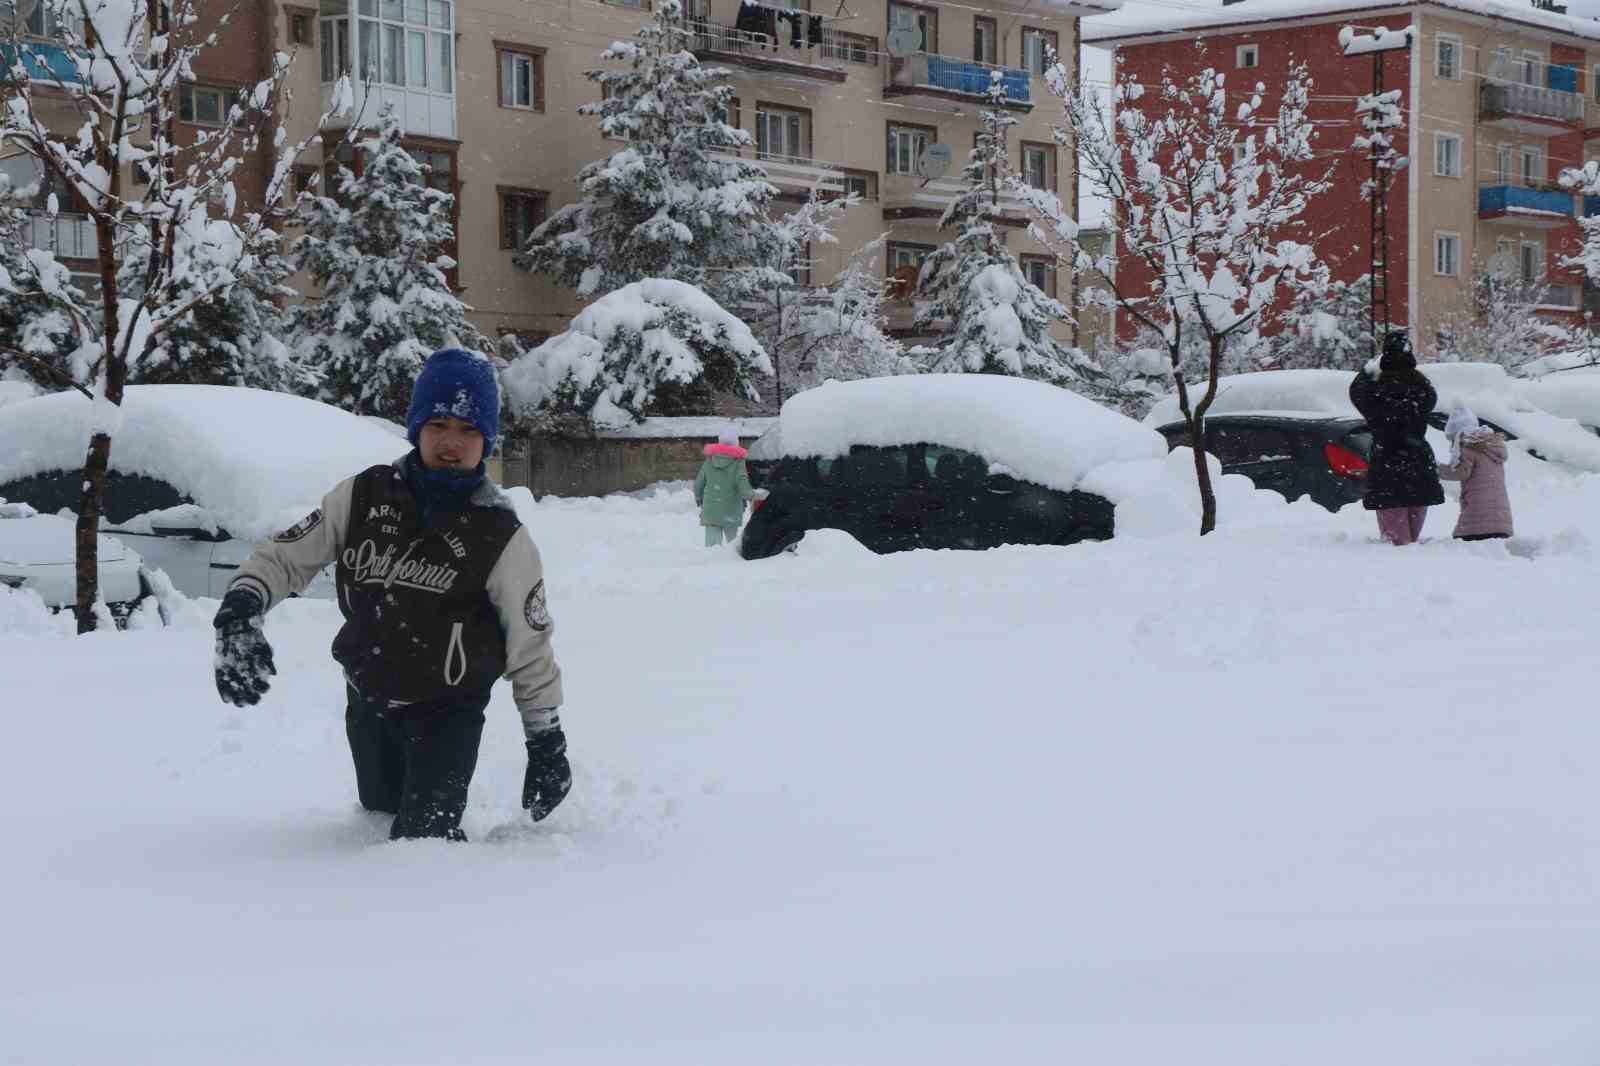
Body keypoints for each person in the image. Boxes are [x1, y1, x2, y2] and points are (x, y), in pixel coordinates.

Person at [211, 348, 569, 841]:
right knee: (374, 825)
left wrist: (545, 739)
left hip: (448, 714)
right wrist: (240, 613)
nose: (451, 442)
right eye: (438, 424)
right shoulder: (363, 496)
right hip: (369, 704)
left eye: (468, 430)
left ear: (487, 441)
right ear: (416, 427)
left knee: (422, 851)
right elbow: (285, 556)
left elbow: (529, 646)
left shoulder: (501, 536)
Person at [1349, 332, 1444, 545]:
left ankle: (1398, 571)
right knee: (1413, 533)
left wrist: (1368, 370)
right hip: (1418, 461)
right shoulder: (1421, 385)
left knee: (1394, 542)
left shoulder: (1375, 389)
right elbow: (1431, 400)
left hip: (1388, 463)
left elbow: (1356, 393)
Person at [1436, 406, 1513, 541]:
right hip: (1501, 516)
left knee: (1465, 541)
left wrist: (1435, 468)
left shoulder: (1469, 448)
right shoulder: (1492, 446)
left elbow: (1460, 473)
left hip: (1478, 514)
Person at [693, 427, 755, 547]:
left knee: (711, 547)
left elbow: (698, 484)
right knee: (732, 546)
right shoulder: (738, 462)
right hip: (731, 510)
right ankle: (731, 565)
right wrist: (753, 496)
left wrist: (698, 498)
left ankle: (711, 564)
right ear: (736, 443)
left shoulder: (709, 460)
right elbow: (743, 487)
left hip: (711, 508)